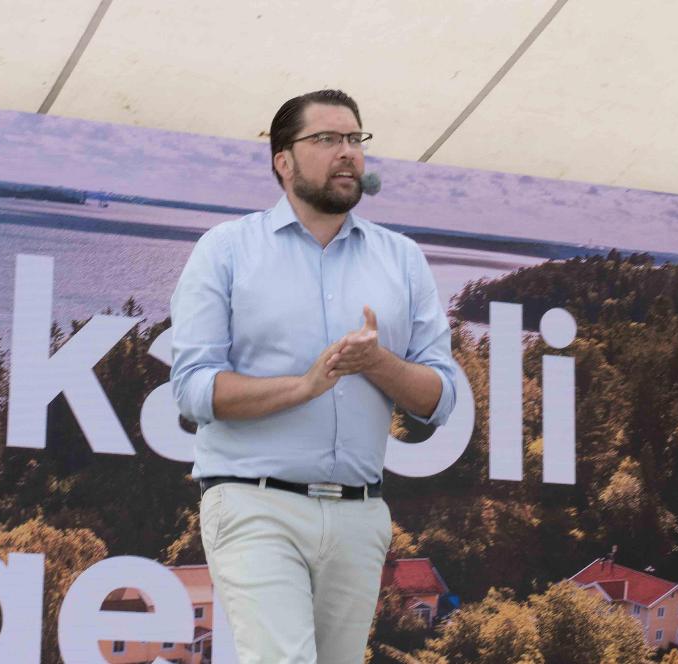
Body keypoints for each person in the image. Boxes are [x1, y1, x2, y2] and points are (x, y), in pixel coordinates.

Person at [169, 89, 457, 664]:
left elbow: (440, 398)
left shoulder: (402, 259)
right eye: (326, 139)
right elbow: (194, 387)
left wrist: (378, 363)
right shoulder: (225, 251)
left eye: (355, 139)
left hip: (360, 514)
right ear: (283, 160)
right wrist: (302, 387)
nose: (346, 152)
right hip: (255, 503)